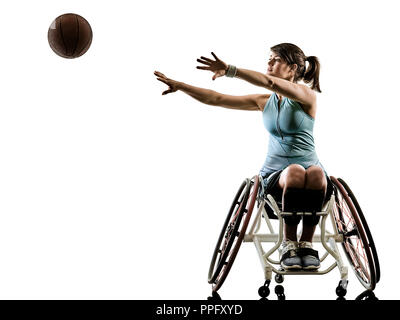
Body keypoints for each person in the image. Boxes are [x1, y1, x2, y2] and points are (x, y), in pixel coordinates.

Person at [154, 43, 333, 270]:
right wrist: (181, 86)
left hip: (312, 174)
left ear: (292, 68)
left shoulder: (306, 96)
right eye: (269, 58)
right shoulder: (264, 101)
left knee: (316, 172)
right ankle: (289, 243)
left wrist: (230, 70)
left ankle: (306, 243)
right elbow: (216, 99)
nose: (269, 63)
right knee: (295, 171)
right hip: (276, 177)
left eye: (275, 59)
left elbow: (270, 82)